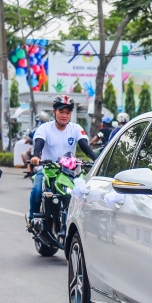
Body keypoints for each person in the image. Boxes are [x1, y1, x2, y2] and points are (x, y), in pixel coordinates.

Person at [27, 95, 97, 228]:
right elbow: (39, 143)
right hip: (48, 170)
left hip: (70, 172)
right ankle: (33, 219)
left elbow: (84, 145)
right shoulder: (45, 128)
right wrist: (36, 156)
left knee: (85, 193)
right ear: (54, 112)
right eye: (61, 112)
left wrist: (97, 160)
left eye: (67, 112)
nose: (64, 115)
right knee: (36, 191)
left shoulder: (75, 128)